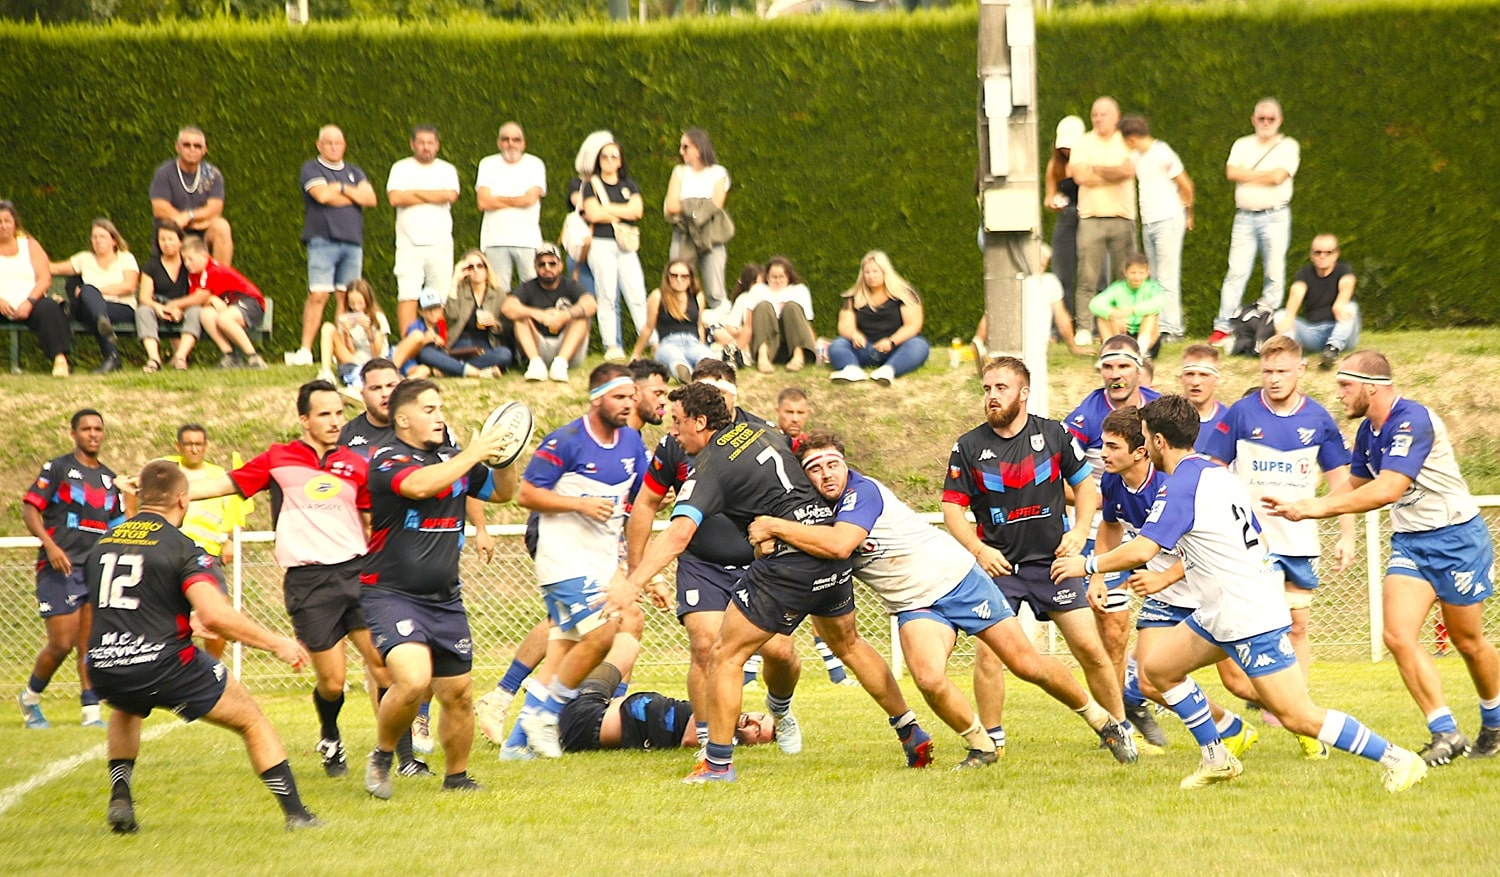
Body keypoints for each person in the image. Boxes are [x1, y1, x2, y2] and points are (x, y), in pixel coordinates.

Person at [1053, 395, 1427, 792]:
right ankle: (1217, 758)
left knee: (1298, 715)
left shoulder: (1182, 486)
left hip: (1246, 612)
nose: (1143, 445)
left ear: (1159, 441)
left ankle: (1399, 759)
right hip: (1221, 606)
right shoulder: (1215, 473)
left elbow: (1144, 549)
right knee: (1158, 670)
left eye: (1145, 437)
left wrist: (1087, 565)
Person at [754, 431, 1134, 768]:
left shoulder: (861, 491)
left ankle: (1103, 720)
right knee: (929, 678)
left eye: (833, 464)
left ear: (845, 465)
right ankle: (982, 747)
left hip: (957, 579)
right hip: (914, 604)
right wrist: (767, 541)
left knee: (1026, 664)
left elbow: (840, 545)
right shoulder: (810, 514)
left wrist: (773, 527)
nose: (827, 474)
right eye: (815, 468)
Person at [620, 382, 935, 782]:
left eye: (678, 422)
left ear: (700, 422)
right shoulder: (764, 431)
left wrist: (633, 583)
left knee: (725, 656)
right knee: (849, 644)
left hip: (789, 564)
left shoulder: (710, 465)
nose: (673, 431)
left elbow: (678, 534)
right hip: (826, 547)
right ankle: (910, 731)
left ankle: (717, 765)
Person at [1263, 350, 1500, 764]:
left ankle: (1494, 724)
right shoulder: (1368, 432)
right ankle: (1445, 732)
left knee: (1466, 640)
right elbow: (1356, 483)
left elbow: (1388, 489)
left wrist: (1316, 509)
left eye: (1345, 385)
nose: (1339, 394)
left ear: (1371, 387)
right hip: (1411, 542)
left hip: (1457, 539)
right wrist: (1302, 505)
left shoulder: (1412, 420)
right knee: (1397, 636)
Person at [86, 460, 319, 833]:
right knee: (252, 720)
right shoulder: (182, 547)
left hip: (104, 666)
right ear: (183, 499)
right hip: (164, 666)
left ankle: (120, 796)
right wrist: (277, 643)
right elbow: (216, 616)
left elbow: (121, 604)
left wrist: (178, 619)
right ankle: (297, 814)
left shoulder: (102, 543)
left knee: (126, 706)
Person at [182, 381, 389, 779]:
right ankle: (330, 734)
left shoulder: (356, 463)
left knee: (383, 665)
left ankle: (397, 755)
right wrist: (162, 490)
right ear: (304, 420)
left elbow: (374, 515)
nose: (335, 421)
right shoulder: (279, 458)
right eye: (325, 414)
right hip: (308, 582)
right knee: (333, 683)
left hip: (357, 574)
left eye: (339, 413)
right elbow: (225, 484)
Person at [943, 357, 1134, 762]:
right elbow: (951, 510)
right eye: (987, 389)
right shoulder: (968, 446)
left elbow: (1086, 488)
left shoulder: (1053, 434)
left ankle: (1118, 728)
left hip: (1054, 565)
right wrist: (979, 550)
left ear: (1024, 392)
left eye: (1001, 388)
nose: (992, 396)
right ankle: (991, 743)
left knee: (1090, 648)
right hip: (1000, 568)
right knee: (989, 654)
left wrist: (1079, 532)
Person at [626, 362, 809, 755]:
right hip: (702, 563)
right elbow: (646, 505)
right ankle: (710, 743)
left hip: (759, 563)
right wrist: (639, 573)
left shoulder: (761, 433)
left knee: (779, 651)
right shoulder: (676, 444)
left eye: (720, 391)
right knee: (705, 646)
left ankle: (781, 708)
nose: (714, 398)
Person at [359, 378, 519, 798]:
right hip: (391, 594)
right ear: (402, 419)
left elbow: (503, 493)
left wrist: (506, 455)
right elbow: (419, 486)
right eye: (429, 409)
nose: (439, 416)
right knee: (414, 681)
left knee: (459, 694)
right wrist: (474, 453)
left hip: (445, 598)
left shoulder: (453, 457)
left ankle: (457, 777)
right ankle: (383, 755)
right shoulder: (388, 458)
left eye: (440, 408)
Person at [1203, 335, 1356, 757]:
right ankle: (1278, 702)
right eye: (1267, 371)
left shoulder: (1319, 419)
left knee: (1298, 627)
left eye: (1282, 371)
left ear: (1300, 370)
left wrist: (1347, 534)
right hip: (1248, 543)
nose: (1273, 379)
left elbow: (1341, 484)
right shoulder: (1241, 413)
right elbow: (1212, 471)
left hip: (1298, 542)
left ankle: (1304, 723)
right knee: (1245, 633)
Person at [1091, 407, 1259, 753]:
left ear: (1142, 451)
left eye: (1112, 446)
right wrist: (1099, 577)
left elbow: (1202, 545)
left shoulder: (1171, 484)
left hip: (1206, 592)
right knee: (1150, 680)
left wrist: (1163, 577)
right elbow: (1110, 526)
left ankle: (1303, 724)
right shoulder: (1112, 481)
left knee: (1239, 682)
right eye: (1102, 444)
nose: (1103, 454)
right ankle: (1231, 729)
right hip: (1166, 598)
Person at [514, 364, 649, 758]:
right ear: (596, 398)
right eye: (619, 397)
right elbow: (526, 495)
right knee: (603, 635)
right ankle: (546, 713)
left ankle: (516, 745)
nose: (628, 404)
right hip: (563, 560)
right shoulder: (566, 441)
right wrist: (580, 503)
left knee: (562, 650)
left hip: (601, 563)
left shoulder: (631, 442)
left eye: (632, 396)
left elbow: (642, 497)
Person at [1063, 336, 1161, 701]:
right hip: (1105, 528)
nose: (1115, 374)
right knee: (1114, 630)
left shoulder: (1160, 410)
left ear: (1139, 368)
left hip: (1160, 531)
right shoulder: (1084, 418)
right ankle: (1121, 711)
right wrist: (1106, 501)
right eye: (1107, 366)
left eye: (1123, 366)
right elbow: (1058, 480)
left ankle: (1144, 688)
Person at [18, 409, 124, 730]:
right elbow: (30, 508)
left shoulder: (110, 479)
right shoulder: (58, 468)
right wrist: (50, 545)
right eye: (86, 428)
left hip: (94, 569)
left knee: (90, 644)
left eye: (98, 429)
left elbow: (118, 527)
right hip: (60, 567)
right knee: (61, 643)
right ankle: (30, 698)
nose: (93, 434)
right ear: (73, 433)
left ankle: (91, 713)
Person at [556, 618, 775, 753]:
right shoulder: (723, 716)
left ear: (752, 744)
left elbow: (691, 740)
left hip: (584, 720)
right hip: (599, 708)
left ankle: (549, 693)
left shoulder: (720, 734)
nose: (752, 721)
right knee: (630, 626)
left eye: (757, 731)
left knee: (625, 641)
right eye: (760, 717)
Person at [142, 424, 252, 660]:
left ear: (206, 446)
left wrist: (231, 539)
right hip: (167, 555)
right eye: (188, 444)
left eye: (198, 444)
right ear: (178, 446)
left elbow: (236, 511)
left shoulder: (218, 475)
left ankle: (212, 665)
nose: (194, 449)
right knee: (162, 616)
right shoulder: (167, 471)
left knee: (219, 614)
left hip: (205, 556)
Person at [1210, 98, 1300, 348]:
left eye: (1271, 118)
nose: (1266, 122)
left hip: (1275, 216)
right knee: (1235, 273)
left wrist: (1247, 175)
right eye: (1261, 118)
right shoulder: (1242, 144)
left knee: (1274, 272)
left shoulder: (1288, 146)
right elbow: (1231, 172)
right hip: (1244, 217)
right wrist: (1265, 175)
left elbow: (1278, 177)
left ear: (1279, 120)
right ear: (1253, 120)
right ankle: (1223, 327)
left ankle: (1267, 326)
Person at [292, 124, 377, 367]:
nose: (333, 147)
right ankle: (305, 350)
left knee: (346, 298)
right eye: (328, 143)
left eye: (337, 143)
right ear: (319, 145)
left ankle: (341, 349)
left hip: (352, 242)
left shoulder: (354, 171)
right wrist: (351, 195)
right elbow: (322, 196)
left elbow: (370, 198)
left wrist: (340, 188)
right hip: (322, 240)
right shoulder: (312, 168)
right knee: (318, 294)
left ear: (344, 145)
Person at [1119, 115, 1193, 341]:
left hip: (1167, 219)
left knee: (1167, 276)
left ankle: (1173, 329)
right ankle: (1158, 326)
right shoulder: (1137, 156)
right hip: (1149, 221)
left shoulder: (1162, 153)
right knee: (1154, 278)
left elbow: (1186, 185)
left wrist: (1187, 213)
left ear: (1131, 138)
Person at [1067, 97, 1137, 328]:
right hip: (1091, 218)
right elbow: (1080, 176)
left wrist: (1096, 169)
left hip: (1122, 217)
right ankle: (1085, 328)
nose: (1098, 119)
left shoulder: (1127, 141)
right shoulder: (1083, 143)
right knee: (1087, 277)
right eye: (1094, 115)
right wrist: (1114, 173)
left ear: (1117, 117)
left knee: (1126, 277)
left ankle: (1127, 326)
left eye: (1103, 114)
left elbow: (1130, 171)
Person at [387, 125, 460, 332]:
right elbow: (395, 198)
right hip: (409, 246)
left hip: (440, 245)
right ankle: (408, 344)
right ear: (412, 144)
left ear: (437, 145)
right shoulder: (400, 168)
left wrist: (414, 193)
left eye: (430, 143)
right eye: (421, 143)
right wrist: (434, 195)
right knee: (408, 296)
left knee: (440, 298)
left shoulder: (447, 170)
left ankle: (439, 343)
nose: (426, 147)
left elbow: (450, 195)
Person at [582, 140, 648, 362]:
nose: (609, 161)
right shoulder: (591, 185)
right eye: (605, 156)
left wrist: (606, 209)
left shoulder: (629, 184)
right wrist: (623, 211)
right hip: (601, 243)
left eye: (614, 156)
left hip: (626, 245)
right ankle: (611, 344)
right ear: (598, 161)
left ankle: (649, 340)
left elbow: (637, 211)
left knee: (637, 294)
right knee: (607, 295)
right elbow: (593, 214)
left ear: (620, 161)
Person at [972, 243, 1091, 364]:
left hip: (1032, 347)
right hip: (1013, 345)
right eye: (1039, 262)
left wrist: (1073, 347)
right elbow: (993, 314)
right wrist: (978, 342)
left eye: (1044, 264)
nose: (1041, 267)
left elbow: (1062, 318)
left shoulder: (1050, 282)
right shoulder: (1013, 281)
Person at [49, 218, 139, 374]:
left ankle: (111, 353)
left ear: (114, 240)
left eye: (102, 237)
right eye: (94, 237)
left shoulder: (126, 258)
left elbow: (129, 286)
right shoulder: (84, 258)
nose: (98, 240)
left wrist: (96, 291)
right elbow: (54, 268)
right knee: (87, 299)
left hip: (121, 306)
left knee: (88, 292)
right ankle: (105, 330)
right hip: (91, 308)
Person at [829, 250, 929, 386]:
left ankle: (888, 370)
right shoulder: (853, 297)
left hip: (895, 348)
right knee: (838, 344)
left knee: (919, 345)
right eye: (867, 272)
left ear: (885, 271)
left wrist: (891, 341)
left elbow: (913, 325)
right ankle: (851, 369)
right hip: (864, 347)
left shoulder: (905, 295)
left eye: (875, 271)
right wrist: (854, 335)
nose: (871, 276)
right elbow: (845, 325)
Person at [502, 242, 595, 382]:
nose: (547, 268)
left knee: (582, 316)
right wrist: (538, 314)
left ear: (560, 266)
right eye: (542, 264)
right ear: (535, 267)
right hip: (538, 347)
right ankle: (536, 364)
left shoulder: (570, 285)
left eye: (552, 264)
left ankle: (560, 364)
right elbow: (507, 307)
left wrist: (565, 315)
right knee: (520, 317)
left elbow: (591, 304)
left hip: (567, 349)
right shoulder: (528, 287)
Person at [664, 127, 732, 309]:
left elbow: (717, 203)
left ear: (699, 149)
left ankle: (720, 324)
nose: (681, 151)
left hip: (712, 236)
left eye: (685, 147)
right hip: (684, 234)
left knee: (716, 291)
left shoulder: (718, 173)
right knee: (678, 284)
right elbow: (671, 206)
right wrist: (700, 208)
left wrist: (688, 206)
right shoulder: (679, 172)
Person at [0, 201, 70, 376]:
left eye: (7, 221)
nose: (3, 226)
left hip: (31, 302)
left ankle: (60, 360)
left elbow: (44, 278)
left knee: (49, 308)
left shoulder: (30, 245)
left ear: (15, 222)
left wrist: (29, 302)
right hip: (1, 304)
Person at [475, 121, 546, 293]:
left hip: (528, 240)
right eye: (505, 139)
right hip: (495, 240)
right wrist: (518, 199)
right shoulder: (487, 164)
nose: (511, 143)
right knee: (497, 294)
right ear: (498, 143)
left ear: (523, 143)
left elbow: (530, 199)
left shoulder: (535, 164)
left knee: (533, 292)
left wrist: (498, 199)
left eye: (516, 139)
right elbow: (483, 202)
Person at [149, 126, 233, 264]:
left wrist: (189, 216)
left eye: (197, 146)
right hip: (174, 230)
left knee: (222, 226)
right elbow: (160, 209)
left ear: (204, 150)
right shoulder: (164, 173)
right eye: (187, 145)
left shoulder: (213, 175)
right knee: (169, 228)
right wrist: (189, 222)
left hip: (202, 232)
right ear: (177, 147)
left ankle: (220, 276)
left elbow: (215, 209)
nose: (192, 149)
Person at [1277, 234, 1360, 370]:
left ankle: (1332, 349)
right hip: (1314, 333)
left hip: (1341, 332)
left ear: (1336, 254)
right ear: (1312, 255)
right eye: (1318, 252)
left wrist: (1339, 304)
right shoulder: (1304, 273)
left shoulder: (1343, 269)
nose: (1322, 256)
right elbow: (1297, 293)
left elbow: (1348, 284)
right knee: (1280, 315)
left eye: (1328, 252)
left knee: (1350, 307)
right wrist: (1289, 317)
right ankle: (1292, 354)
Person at [182, 237, 267, 369]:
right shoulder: (193, 276)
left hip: (250, 302)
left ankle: (254, 357)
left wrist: (209, 299)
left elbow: (199, 298)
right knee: (206, 314)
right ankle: (230, 356)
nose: (187, 263)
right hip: (230, 306)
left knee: (224, 319)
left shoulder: (213, 270)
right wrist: (211, 299)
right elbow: (198, 300)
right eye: (184, 260)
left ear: (204, 256)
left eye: (190, 259)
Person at [631, 259, 713, 383]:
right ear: (667, 277)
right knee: (675, 358)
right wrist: (636, 353)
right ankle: (687, 375)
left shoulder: (698, 297)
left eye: (684, 276)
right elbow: (648, 328)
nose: (679, 280)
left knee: (707, 357)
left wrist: (702, 345)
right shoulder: (658, 296)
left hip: (693, 342)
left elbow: (699, 326)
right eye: (674, 275)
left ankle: (704, 376)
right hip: (668, 343)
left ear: (690, 278)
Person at [730, 255, 816, 374]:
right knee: (763, 306)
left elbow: (806, 324)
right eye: (774, 277)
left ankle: (798, 356)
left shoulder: (799, 290)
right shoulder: (758, 290)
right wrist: (735, 351)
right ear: (767, 277)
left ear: (788, 276)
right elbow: (748, 326)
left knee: (791, 307)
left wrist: (816, 347)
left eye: (781, 277)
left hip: (790, 344)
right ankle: (763, 358)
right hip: (770, 345)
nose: (778, 280)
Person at [134, 221, 201, 372]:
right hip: (159, 308)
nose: (166, 243)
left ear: (180, 241)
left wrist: (180, 308)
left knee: (196, 311)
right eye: (162, 239)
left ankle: (180, 358)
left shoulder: (189, 264)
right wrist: (159, 308)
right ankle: (154, 359)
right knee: (143, 311)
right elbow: (144, 297)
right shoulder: (151, 266)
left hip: (185, 309)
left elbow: (198, 294)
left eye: (170, 239)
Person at [1045, 114, 1090, 335]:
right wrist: (1055, 202)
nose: (1066, 152)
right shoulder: (1055, 165)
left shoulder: (1091, 160)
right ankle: (1061, 328)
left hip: (1090, 218)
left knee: (1092, 275)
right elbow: (1048, 198)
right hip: (1066, 220)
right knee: (1062, 275)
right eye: (1063, 148)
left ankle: (1091, 327)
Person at [391, 287, 499, 380]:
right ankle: (477, 372)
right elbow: (408, 352)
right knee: (426, 353)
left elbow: (445, 347)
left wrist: (441, 343)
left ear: (441, 309)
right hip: (414, 361)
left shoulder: (441, 325)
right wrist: (424, 341)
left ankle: (448, 369)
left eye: (436, 308)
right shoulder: (416, 327)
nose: (433, 313)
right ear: (421, 312)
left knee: (499, 353)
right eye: (428, 310)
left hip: (437, 359)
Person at [443, 250, 514, 374]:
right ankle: (482, 369)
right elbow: (451, 314)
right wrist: (455, 280)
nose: (475, 270)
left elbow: (507, 327)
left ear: (486, 269)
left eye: (480, 266)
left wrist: (495, 324)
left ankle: (455, 367)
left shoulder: (498, 293)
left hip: (486, 343)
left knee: (504, 354)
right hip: (461, 342)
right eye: (470, 267)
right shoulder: (460, 290)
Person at [1089, 253, 1165, 359]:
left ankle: (1140, 353)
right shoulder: (1118, 287)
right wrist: (1113, 313)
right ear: (1125, 272)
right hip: (1123, 332)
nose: (1137, 277)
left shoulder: (1152, 288)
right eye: (1133, 273)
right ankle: (1111, 351)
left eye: (1141, 273)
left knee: (1152, 315)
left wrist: (1132, 310)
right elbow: (1094, 303)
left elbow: (1160, 302)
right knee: (1103, 317)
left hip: (1145, 336)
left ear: (1148, 273)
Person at [319, 278, 391, 388]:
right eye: (352, 303)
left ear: (367, 300)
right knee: (328, 327)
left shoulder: (378, 318)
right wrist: (346, 333)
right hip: (354, 359)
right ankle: (326, 372)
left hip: (374, 361)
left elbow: (376, 354)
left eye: (360, 303)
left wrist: (369, 331)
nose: (356, 307)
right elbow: (350, 351)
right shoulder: (346, 318)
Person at [1179, 344, 1228, 452]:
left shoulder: (1228, 421)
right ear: (1181, 378)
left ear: (1217, 380)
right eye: (1190, 374)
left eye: (1204, 375)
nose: (1195, 382)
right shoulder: (1166, 420)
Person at [711, 262, 762, 367]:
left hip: (757, 338)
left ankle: (737, 353)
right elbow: (731, 326)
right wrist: (740, 331)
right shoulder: (743, 299)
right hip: (741, 337)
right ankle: (736, 352)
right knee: (718, 333)